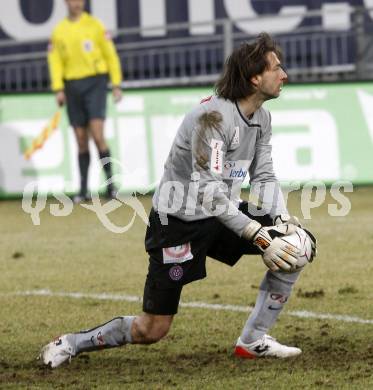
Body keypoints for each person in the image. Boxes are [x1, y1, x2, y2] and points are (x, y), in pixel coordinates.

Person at [40, 32, 317, 368]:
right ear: (255, 77)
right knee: (152, 328)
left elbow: (265, 176)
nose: (284, 74)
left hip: (222, 214)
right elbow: (207, 191)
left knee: (297, 245)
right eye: (277, 68)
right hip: (179, 223)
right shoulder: (213, 118)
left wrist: (281, 218)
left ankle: (254, 339)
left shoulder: (262, 118)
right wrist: (259, 234)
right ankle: (70, 343)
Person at [48, 0, 123, 202]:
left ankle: (111, 186)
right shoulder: (59, 31)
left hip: (95, 82)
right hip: (72, 85)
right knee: (81, 139)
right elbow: (55, 61)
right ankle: (82, 190)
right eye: (72, 0)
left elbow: (110, 54)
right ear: (66, 3)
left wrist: (116, 84)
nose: (76, 3)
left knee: (98, 135)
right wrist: (58, 88)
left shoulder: (95, 25)